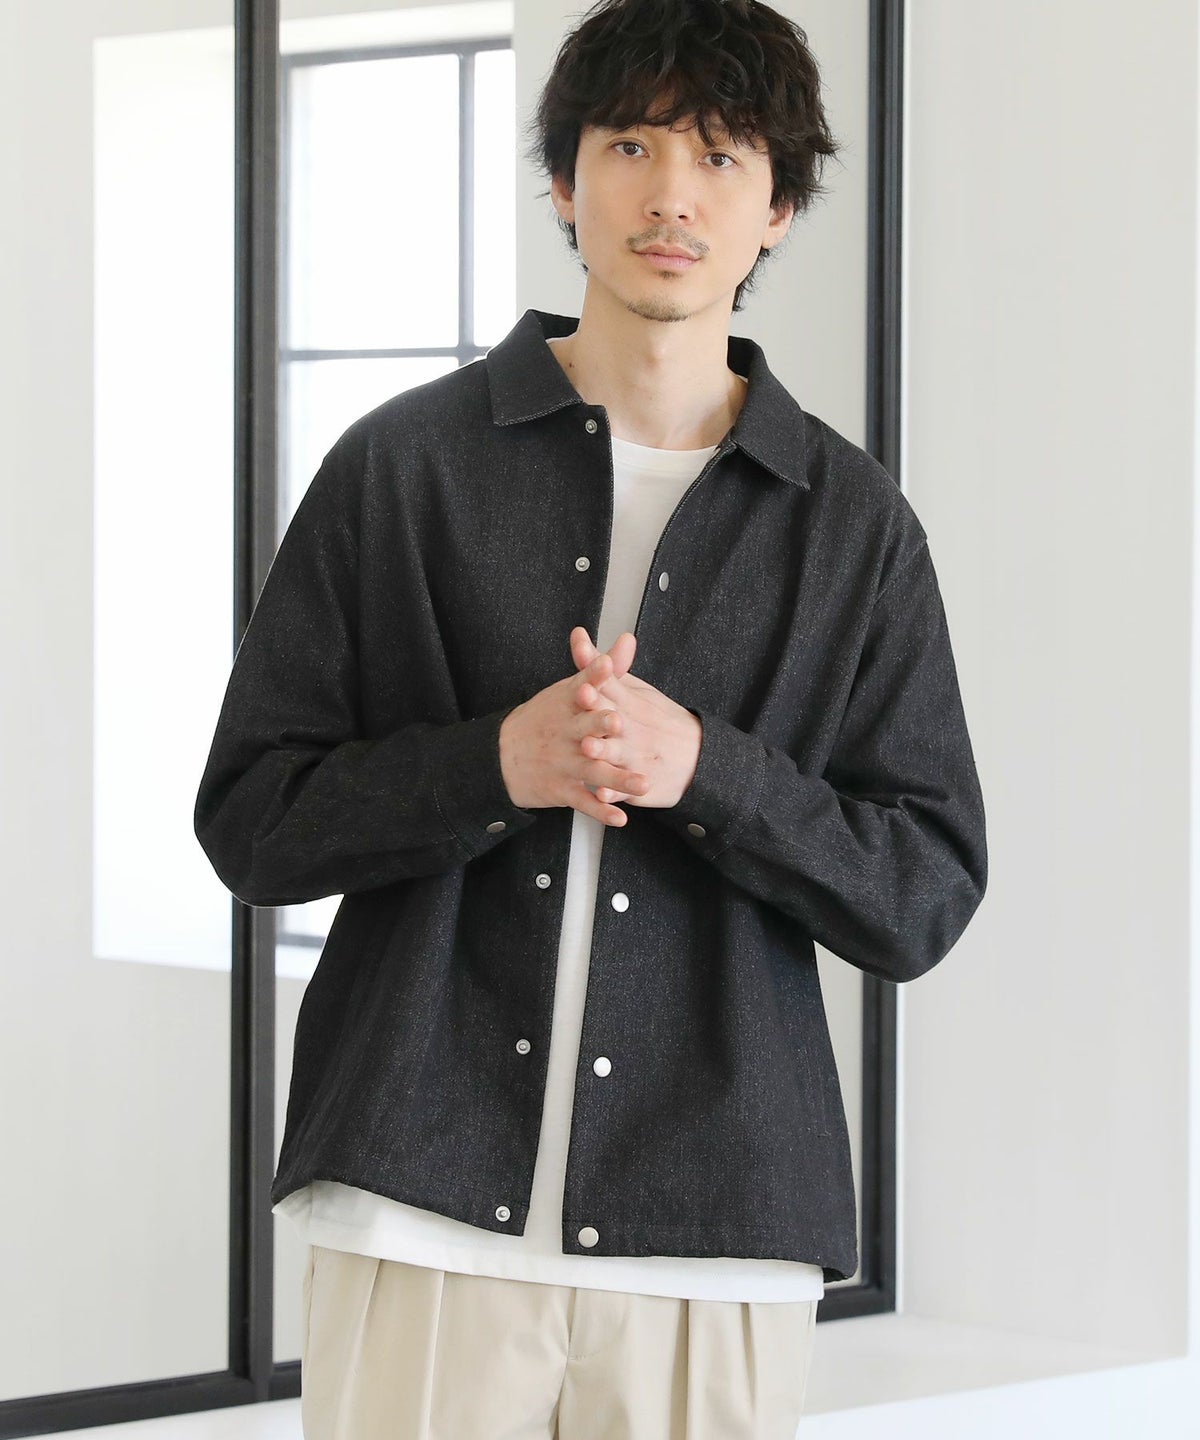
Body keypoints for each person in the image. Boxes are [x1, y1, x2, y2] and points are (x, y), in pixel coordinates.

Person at [193, 0, 988, 1434]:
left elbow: (922, 889)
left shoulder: (853, 525)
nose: (672, 194)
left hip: (719, 1228)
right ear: (565, 184)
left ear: (778, 209)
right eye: (631, 145)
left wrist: (709, 772)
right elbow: (253, 822)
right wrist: (495, 763)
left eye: (722, 155)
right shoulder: (400, 469)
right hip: (418, 1211)